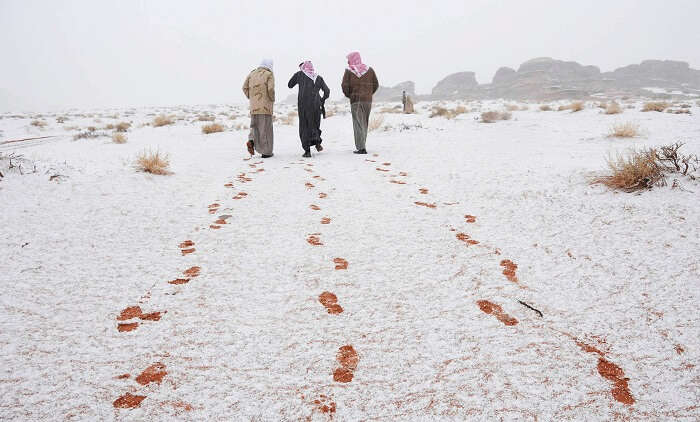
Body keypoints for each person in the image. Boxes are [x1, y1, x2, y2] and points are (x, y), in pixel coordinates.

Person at [288, 60, 330, 157]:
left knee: (304, 127)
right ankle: (317, 142)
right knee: (314, 125)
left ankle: (307, 151)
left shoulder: (299, 75)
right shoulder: (318, 78)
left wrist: (297, 76)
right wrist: (322, 100)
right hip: (316, 105)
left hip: (303, 105)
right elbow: (327, 91)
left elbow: (290, 85)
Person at [341, 51, 378, 154]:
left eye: (349, 59)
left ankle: (361, 148)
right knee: (364, 123)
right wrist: (369, 94)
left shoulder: (349, 71)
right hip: (367, 101)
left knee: (358, 124)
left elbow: (344, 86)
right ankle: (362, 145)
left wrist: (351, 95)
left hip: (356, 101)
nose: (348, 62)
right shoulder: (369, 70)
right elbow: (376, 85)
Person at [242, 59, 275, 158]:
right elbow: (270, 89)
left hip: (253, 107)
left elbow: (244, 87)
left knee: (254, 126)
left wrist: (252, 98)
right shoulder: (269, 74)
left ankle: (251, 140)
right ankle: (266, 152)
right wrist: (272, 99)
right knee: (265, 129)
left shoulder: (252, 73)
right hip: (265, 107)